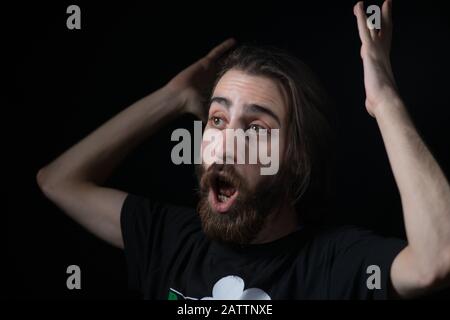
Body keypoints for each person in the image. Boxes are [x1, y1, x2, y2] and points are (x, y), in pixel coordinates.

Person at [36, 0, 450, 299]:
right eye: (217, 120)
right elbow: (58, 181)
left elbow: (438, 259)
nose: (226, 145)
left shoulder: (333, 264)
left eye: (255, 126)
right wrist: (172, 98)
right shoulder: (170, 240)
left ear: (296, 158)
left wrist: (385, 101)